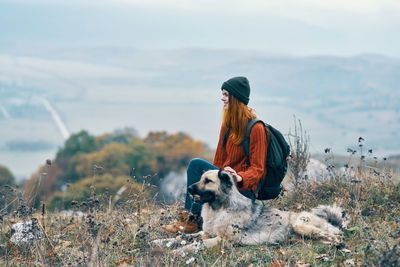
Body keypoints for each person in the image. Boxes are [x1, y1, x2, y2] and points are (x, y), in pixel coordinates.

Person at [163, 76, 269, 233]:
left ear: (236, 97)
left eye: (226, 94)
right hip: (224, 185)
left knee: (196, 163)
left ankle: (192, 220)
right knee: (199, 168)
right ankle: (193, 217)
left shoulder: (256, 129)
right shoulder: (227, 126)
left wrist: (239, 177)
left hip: (243, 189)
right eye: (223, 94)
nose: (222, 98)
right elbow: (218, 162)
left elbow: (258, 169)